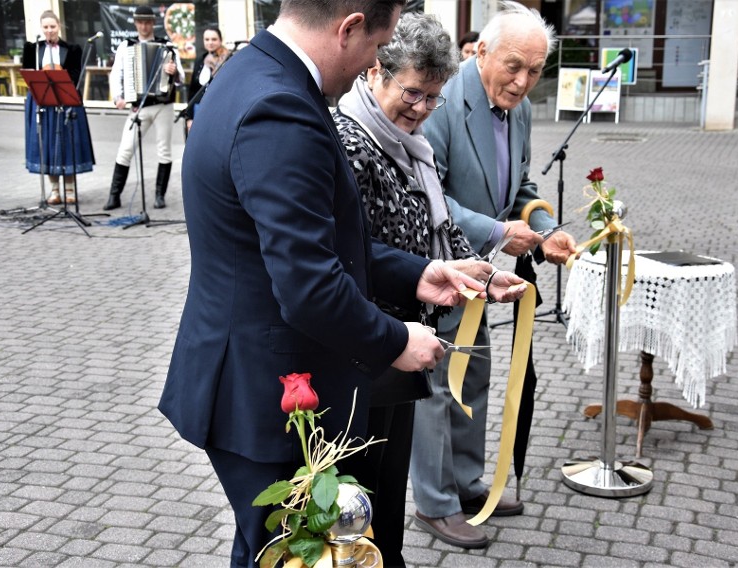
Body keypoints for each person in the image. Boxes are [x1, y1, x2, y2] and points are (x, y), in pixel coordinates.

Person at [157, 2, 491, 566]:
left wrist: (417, 272)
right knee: (293, 554)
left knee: (267, 552)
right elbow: (309, 285)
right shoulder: (281, 107)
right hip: (268, 396)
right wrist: (397, 341)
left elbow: (323, 241)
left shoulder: (252, 70)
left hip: (256, 376)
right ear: (350, 27)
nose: (372, 65)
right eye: (377, 47)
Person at [332, 12, 528, 566]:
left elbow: (426, 233)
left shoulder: (408, 144)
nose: (420, 110)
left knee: (387, 504)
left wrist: (472, 274)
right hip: (372, 341)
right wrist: (429, 281)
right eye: (412, 93)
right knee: (364, 497)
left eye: (432, 98)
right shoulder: (351, 141)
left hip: (411, 324)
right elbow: (353, 255)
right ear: (376, 72)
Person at [409, 1, 577, 549]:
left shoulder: (518, 108)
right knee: (437, 382)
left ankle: (466, 482)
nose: (524, 81)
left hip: (480, 267)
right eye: (513, 66)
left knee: (473, 373)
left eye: (535, 70)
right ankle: (434, 505)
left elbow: (522, 186)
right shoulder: (442, 103)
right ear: (480, 52)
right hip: (436, 265)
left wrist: (546, 226)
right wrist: (500, 233)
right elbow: (428, 196)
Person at [103, 5, 184, 211]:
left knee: (164, 151)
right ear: (135, 23)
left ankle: (159, 195)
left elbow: (181, 78)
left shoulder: (167, 46)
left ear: (153, 23)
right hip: (138, 107)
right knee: (125, 149)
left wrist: (172, 71)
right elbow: (116, 74)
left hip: (163, 105)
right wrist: (118, 98)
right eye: (140, 22)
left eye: (147, 22)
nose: (144, 26)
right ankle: (114, 195)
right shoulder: (126, 46)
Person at [22, 10, 95, 205]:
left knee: (68, 144)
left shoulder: (72, 49)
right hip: (42, 101)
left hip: (64, 99)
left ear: (59, 26)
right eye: (45, 27)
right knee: (46, 144)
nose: (49, 31)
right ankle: (54, 191)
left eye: (52, 27)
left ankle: (70, 189)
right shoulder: (32, 49)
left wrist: (58, 74)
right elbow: (28, 75)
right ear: (41, 28)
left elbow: (76, 74)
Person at [184, 26, 230, 131]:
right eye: (207, 39)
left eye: (214, 39)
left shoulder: (228, 59)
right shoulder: (200, 60)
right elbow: (193, 90)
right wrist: (189, 117)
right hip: (199, 108)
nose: (210, 42)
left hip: (220, 109)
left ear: (220, 40)